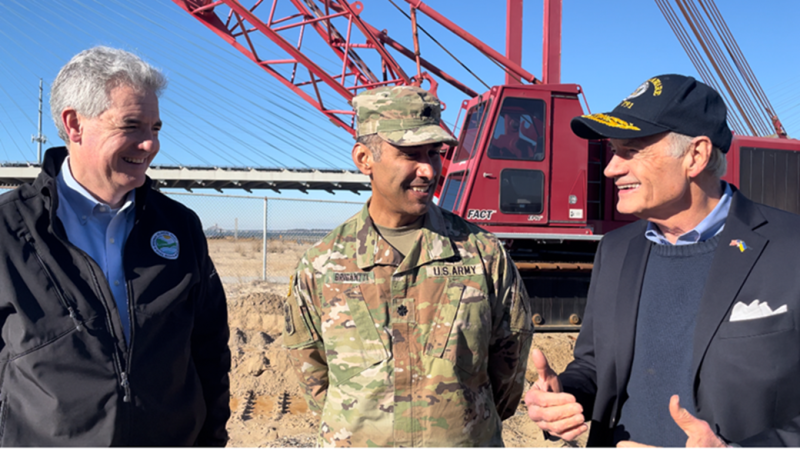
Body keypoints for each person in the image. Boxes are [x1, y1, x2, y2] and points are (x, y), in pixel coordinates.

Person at [524, 74, 800, 447]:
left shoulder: (789, 247)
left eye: (631, 151)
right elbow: (592, 365)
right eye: (613, 151)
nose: (610, 168)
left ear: (696, 156)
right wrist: (565, 397)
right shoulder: (616, 249)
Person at [0, 46, 230, 446]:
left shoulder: (179, 227)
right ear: (74, 125)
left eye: (155, 128)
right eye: (132, 126)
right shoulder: (7, 229)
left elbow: (209, 351)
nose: (150, 145)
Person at [283, 85, 533, 447]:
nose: (429, 170)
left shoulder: (482, 255)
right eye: (410, 153)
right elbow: (312, 373)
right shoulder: (321, 266)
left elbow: (508, 368)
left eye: (434, 153)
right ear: (364, 158)